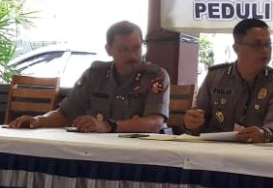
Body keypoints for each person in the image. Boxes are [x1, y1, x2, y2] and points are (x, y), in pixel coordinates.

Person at [9, 20, 169, 133]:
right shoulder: (95, 74)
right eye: (124, 49)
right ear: (109, 50)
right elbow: (65, 113)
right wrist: (38, 121)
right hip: (96, 150)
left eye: (137, 48)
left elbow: (154, 123)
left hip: (141, 153)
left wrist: (108, 126)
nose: (133, 55)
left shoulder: (155, 76)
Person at [183, 18, 273, 143]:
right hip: (215, 150)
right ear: (236, 48)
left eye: (268, 45)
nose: (265, 51)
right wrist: (191, 123)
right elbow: (199, 118)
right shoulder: (215, 76)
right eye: (257, 45)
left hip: (258, 153)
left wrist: (264, 134)